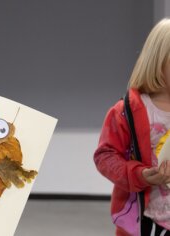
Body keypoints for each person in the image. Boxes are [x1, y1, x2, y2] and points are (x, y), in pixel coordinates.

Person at [94, 18, 170, 236]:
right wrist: (141, 174)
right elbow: (105, 156)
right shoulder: (127, 111)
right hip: (146, 220)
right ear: (158, 61)